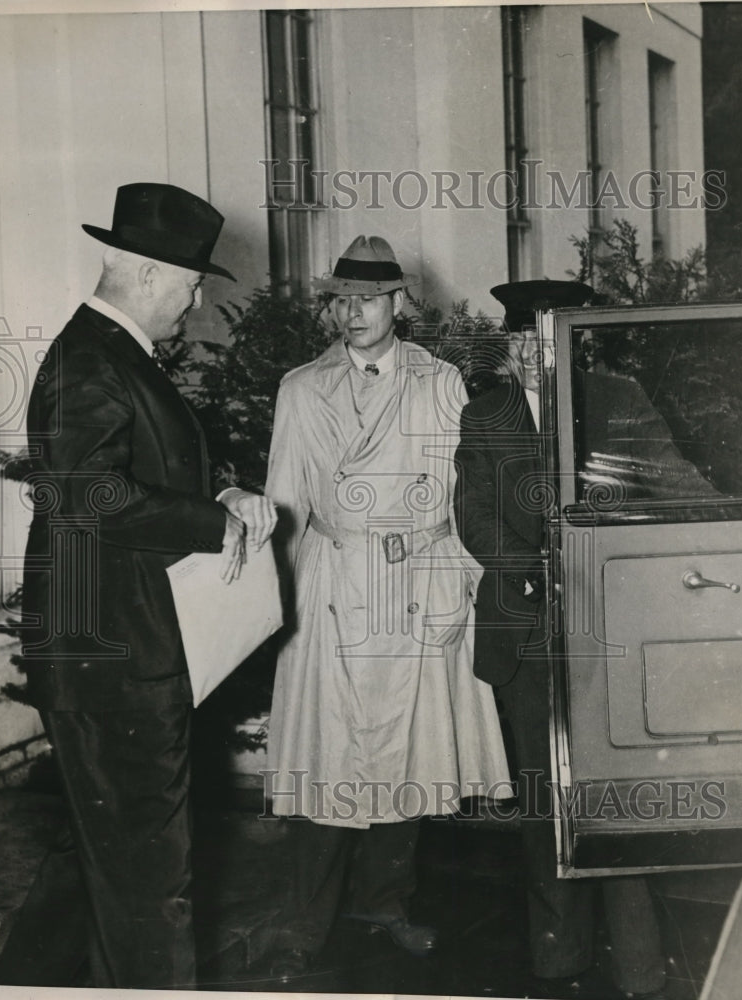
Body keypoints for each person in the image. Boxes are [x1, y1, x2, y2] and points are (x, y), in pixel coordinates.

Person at [0, 182, 277, 989]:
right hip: (115, 661)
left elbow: (127, 477)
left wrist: (216, 497)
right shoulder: (90, 359)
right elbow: (88, 494)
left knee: (109, 859)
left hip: (112, 653)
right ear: (150, 274)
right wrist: (211, 525)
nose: (192, 304)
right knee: (153, 879)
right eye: (191, 284)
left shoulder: (107, 357)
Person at [262, 235, 512, 981]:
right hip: (333, 580)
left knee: (407, 750)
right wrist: (271, 604)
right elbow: (283, 498)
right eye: (339, 299)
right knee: (324, 754)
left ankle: (385, 904)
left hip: (414, 581)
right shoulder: (301, 387)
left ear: (399, 303)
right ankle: (302, 923)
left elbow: (466, 493)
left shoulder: (441, 382)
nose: (351, 313)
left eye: (366, 299)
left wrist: (464, 582)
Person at [454, 280, 668, 1000]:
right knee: (543, 805)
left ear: (574, 339)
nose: (530, 352)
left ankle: (642, 971)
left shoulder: (619, 399)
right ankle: (558, 964)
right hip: (525, 633)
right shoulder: (486, 413)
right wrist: (529, 568)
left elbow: (670, 488)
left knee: (615, 798)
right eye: (518, 339)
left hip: (607, 630)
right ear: (508, 346)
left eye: (546, 336)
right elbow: (474, 514)